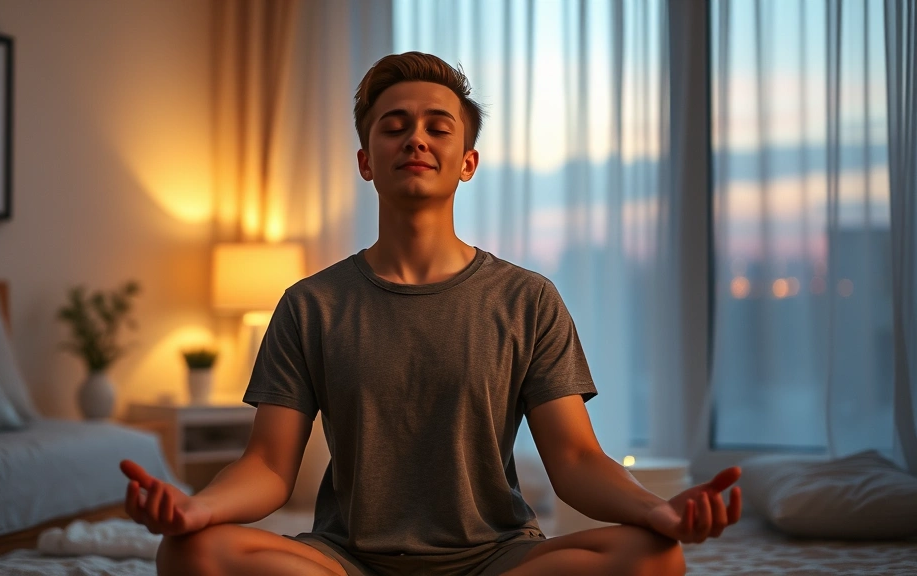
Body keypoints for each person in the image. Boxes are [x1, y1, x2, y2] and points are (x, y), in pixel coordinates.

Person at [120, 52, 741, 576]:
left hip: (494, 558)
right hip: (348, 560)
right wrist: (197, 508)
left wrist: (656, 512)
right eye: (394, 125)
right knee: (190, 553)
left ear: (466, 162)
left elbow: (576, 462)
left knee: (656, 558)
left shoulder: (527, 299)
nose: (415, 137)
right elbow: (267, 467)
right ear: (366, 160)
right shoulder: (311, 305)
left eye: (437, 127)